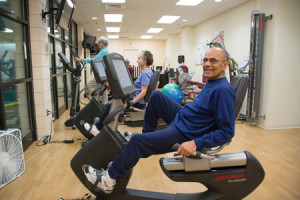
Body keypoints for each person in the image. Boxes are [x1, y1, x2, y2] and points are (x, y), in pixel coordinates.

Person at [82, 47, 236, 194]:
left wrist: (195, 143)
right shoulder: (213, 82)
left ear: (224, 65)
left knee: (137, 142)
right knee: (156, 97)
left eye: (213, 61)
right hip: (184, 118)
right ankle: (146, 136)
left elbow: (227, 132)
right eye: (205, 60)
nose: (207, 64)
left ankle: (108, 180)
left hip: (185, 132)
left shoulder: (223, 90)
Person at [84, 50, 154, 135]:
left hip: (137, 102)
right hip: (137, 100)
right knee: (109, 104)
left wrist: (131, 102)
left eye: (139, 58)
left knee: (110, 105)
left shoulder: (145, 74)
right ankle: (105, 129)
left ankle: (97, 129)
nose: (137, 60)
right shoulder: (148, 72)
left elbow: (143, 92)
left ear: (145, 61)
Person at [75, 36, 109, 103]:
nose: (98, 43)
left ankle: (95, 103)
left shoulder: (104, 51)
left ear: (103, 43)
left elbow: (93, 60)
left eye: (99, 42)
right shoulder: (105, 50)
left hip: (102, 73)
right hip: (105, 73)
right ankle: (104, 105)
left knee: (89, 85)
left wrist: (81, 60)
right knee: (104, 90)